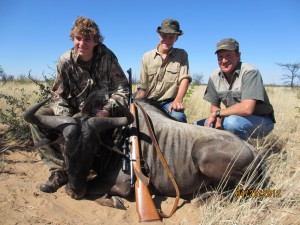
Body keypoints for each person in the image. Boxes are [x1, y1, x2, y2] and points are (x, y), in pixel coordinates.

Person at [30, 16, 129, 193]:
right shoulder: (65, 61)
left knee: (125, 127)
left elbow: (122, 88)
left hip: (100, 113)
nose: (82, 43)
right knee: (37, 120)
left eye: (87, 39)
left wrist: (106, 110)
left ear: (96, 41)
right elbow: (58, 95)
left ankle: (107, 169)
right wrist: (66, 117)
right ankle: (60, 170)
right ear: (73, 39)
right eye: (78, 38)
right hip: (72, 113)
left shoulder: (107, 57)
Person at [194, 38, 275, 140]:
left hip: (261, 121)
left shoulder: (249, 71)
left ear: (238, 55)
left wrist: (217, 114)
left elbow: (247, 109)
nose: (224, 61)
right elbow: (214, 106)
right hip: (230, 117)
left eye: (228, 55)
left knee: (232, 123)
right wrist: (218, 122)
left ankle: (243, 154)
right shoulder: (214, 76)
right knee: (195, 126)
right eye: (220, 57)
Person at [136, 19, 192, 123]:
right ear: (159, 35)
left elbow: (184, 79)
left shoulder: (182, 54)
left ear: (176, 38)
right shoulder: (147, 56)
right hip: (149, 102)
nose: (167, 39)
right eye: (164, 35)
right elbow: (143, 86)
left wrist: (177, 100)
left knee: (178, 117)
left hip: (169, 102)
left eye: (171, 37)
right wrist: (138, 103)